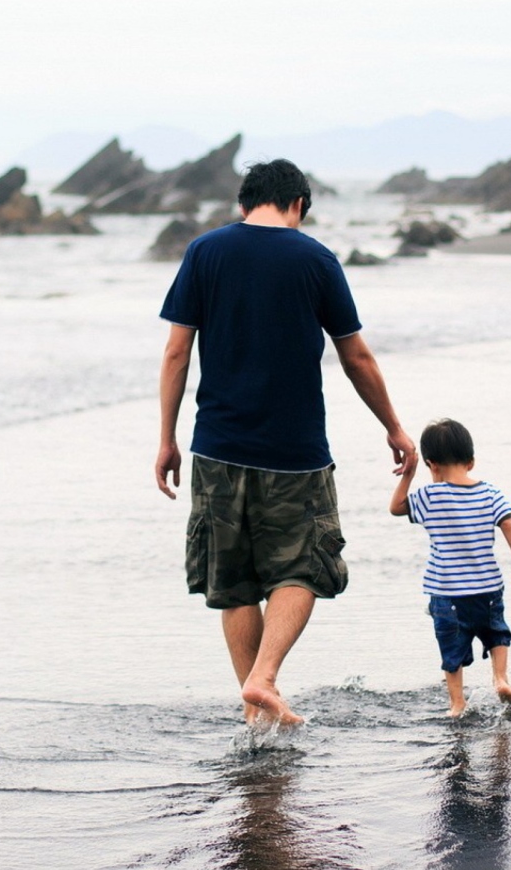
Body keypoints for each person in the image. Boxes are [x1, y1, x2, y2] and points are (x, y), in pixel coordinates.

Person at [156, 158, 416, 727]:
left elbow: (177, 353)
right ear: (298, 204)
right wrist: (392, 426)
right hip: (295, 452)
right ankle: (265, 679)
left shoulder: (205, 252)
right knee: (302, 567)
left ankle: (256, 713)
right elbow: (356, 357)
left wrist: (167, 439)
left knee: (235, 580)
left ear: (245, 203)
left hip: (216, 448)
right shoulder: (316, 259)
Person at [391, 418, 511, 717]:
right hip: (488, 587)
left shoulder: (429, 497)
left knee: (451, 649)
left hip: (447, 593)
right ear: (471, 462)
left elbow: (396, 507)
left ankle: (457, 704)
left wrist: (409, 473)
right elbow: (508, 523)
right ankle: (500, 678)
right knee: (496, 633)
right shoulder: (491, 493)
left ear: (433, 466)